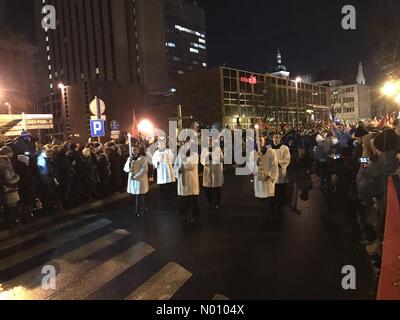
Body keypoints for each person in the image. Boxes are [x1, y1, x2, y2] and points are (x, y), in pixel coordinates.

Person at [249, 137, 279, 224]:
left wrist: (269, 175)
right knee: (261, 203)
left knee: (269, 202)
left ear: (264, 141)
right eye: (257, 141)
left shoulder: (271, 152)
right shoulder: (253, 153)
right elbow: (250, 167)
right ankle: (263, 219)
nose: (259, 142)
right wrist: (256, 163)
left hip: (268, 181)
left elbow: (274, 165)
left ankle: (270, 219)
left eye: (260, 140)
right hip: (259, 181)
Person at [174, 140, 200, 224]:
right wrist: (178, 169)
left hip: (191, 180)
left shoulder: (194, 154)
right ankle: (184, 214)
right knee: (183, 198)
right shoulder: (180, 154)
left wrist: (183, 160)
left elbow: (191, 166)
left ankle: (192, 214)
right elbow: (176, 165)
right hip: (182, 179)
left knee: (191, 198)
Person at [124, 145, 149, 219]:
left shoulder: (142, 158)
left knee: (139, 195)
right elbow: (125, 169)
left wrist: (136, 176)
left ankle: (137, 211)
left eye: (135, 149)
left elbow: (144, 169)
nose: (133, 151)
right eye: (132, 149)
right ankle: (144, 208)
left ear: (138, 150)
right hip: (132, 180)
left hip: (139, 180)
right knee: (138, 195)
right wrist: (129, 163)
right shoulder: (130, 158)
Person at [201, 137, 224, 209]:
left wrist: (213, 158)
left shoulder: (218, 149)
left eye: (211, 140)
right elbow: (201, 160)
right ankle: (210, 201)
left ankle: (217, 203)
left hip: (216, 171)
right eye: (209, 140)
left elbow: (222, 159)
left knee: (217, 188)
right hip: (208, 171)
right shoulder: (204, 150)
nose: (210, 142)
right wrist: (206, 159)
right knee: (208, 188)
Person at [0, 146, 21, 226]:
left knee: (8, 206)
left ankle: (9, 222)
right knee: (11, 206)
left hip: (6, 187)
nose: (12, 153)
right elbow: (9, 178)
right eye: (11, 152)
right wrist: (17, 177)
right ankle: (11, 223)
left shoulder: (5, 161)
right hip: (9, 188)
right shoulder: (4, 163)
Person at [271, 133, 291, 214]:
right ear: (272, 138)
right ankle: (273, 201)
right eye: (275, 137)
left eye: (278, 137)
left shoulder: (284, 148)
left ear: (280, 139)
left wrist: (277, 163)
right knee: (273, 187)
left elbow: (287, 159)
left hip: (280, 171)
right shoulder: (268, 148)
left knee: (281, 187)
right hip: (271, 171)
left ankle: (281, 202)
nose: (276, 139)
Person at [152, 139, 176, 203]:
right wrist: (157, 162)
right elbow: (153, 160)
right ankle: (163, 197)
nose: (161, 145)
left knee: (169, 184)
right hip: (161, 170)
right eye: (159, 144)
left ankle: (171, 196)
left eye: (162, 144)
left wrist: (165, 158)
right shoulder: (156, 152)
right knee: (162, 185)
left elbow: (172, 158)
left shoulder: (168, 150)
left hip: (167, 169)